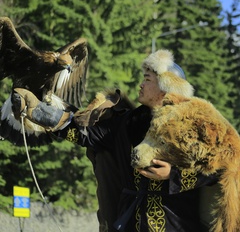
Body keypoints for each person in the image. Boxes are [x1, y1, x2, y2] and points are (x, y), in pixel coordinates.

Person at [13, 49, 219, 232]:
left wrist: (172, 175)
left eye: (147, 79)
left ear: (164, 87)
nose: (140, 84)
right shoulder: (128, 122)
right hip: (129, 222)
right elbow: (88, 135)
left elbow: (220, 170)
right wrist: (44, 115)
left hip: (176, 224)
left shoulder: (194, 126)